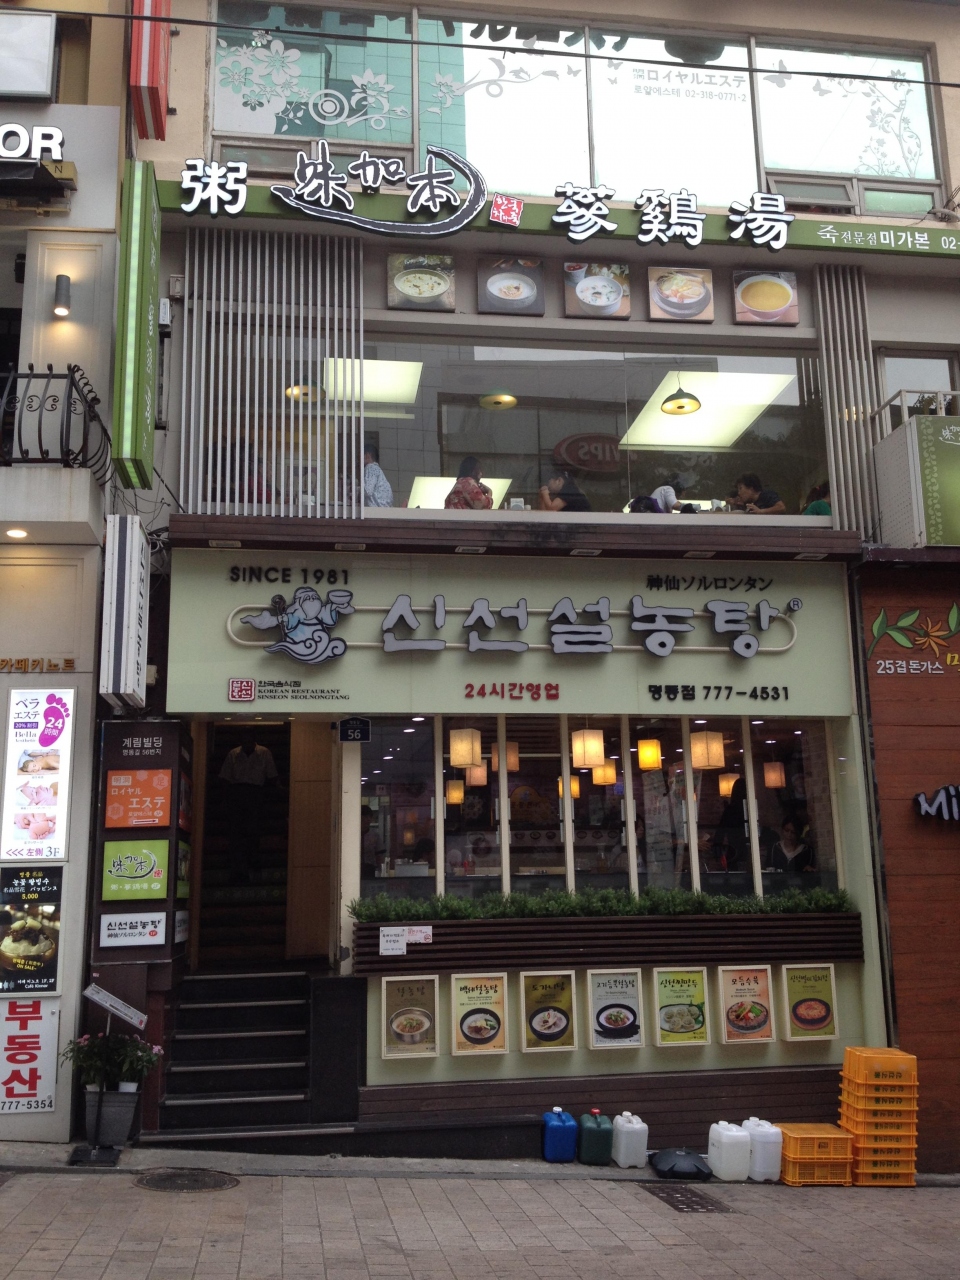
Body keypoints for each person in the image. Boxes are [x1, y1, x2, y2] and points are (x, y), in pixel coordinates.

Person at [219, 729, 279, 881]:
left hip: (255, 793)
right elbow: (225, 778)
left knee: (253, 832)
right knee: (237, 833)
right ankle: (238, 870)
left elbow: (272, 776)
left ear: (253, 740)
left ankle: (253, 866)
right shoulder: (234, 754)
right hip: (237, 793)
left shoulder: (264, 753)